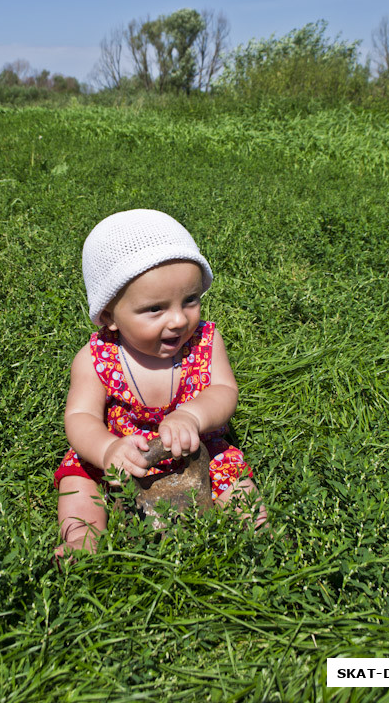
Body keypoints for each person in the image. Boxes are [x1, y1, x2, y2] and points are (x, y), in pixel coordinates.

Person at [54, 209, 267, 559]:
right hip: (120, 453)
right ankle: (81, 538)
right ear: (109, 316)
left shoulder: (206, 343)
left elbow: (224, 391)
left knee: (233, 477)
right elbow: (80, 417)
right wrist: (107, 450)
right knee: (78, 478)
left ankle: (257, 536)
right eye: (155, 308)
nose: (179, 320)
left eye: (190, 300)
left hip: (196, 446)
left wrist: (192, 417)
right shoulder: (95, 359)